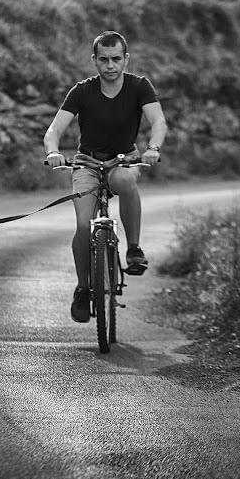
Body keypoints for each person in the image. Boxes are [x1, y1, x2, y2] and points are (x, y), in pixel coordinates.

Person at [43, 30, 168, 323]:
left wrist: (152, 148)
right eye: (103, 60)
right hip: (86, 163)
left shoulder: (139, 87)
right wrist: (53, 151)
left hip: (123, 160)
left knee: (125, 181)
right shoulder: (82, 91)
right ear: (94, 61)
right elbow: (54, 131)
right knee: (83, 227)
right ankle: (84, 288)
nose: (110, 65)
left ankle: (134, 250)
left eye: (116, 59)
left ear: (126, 59)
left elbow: (158, 121)